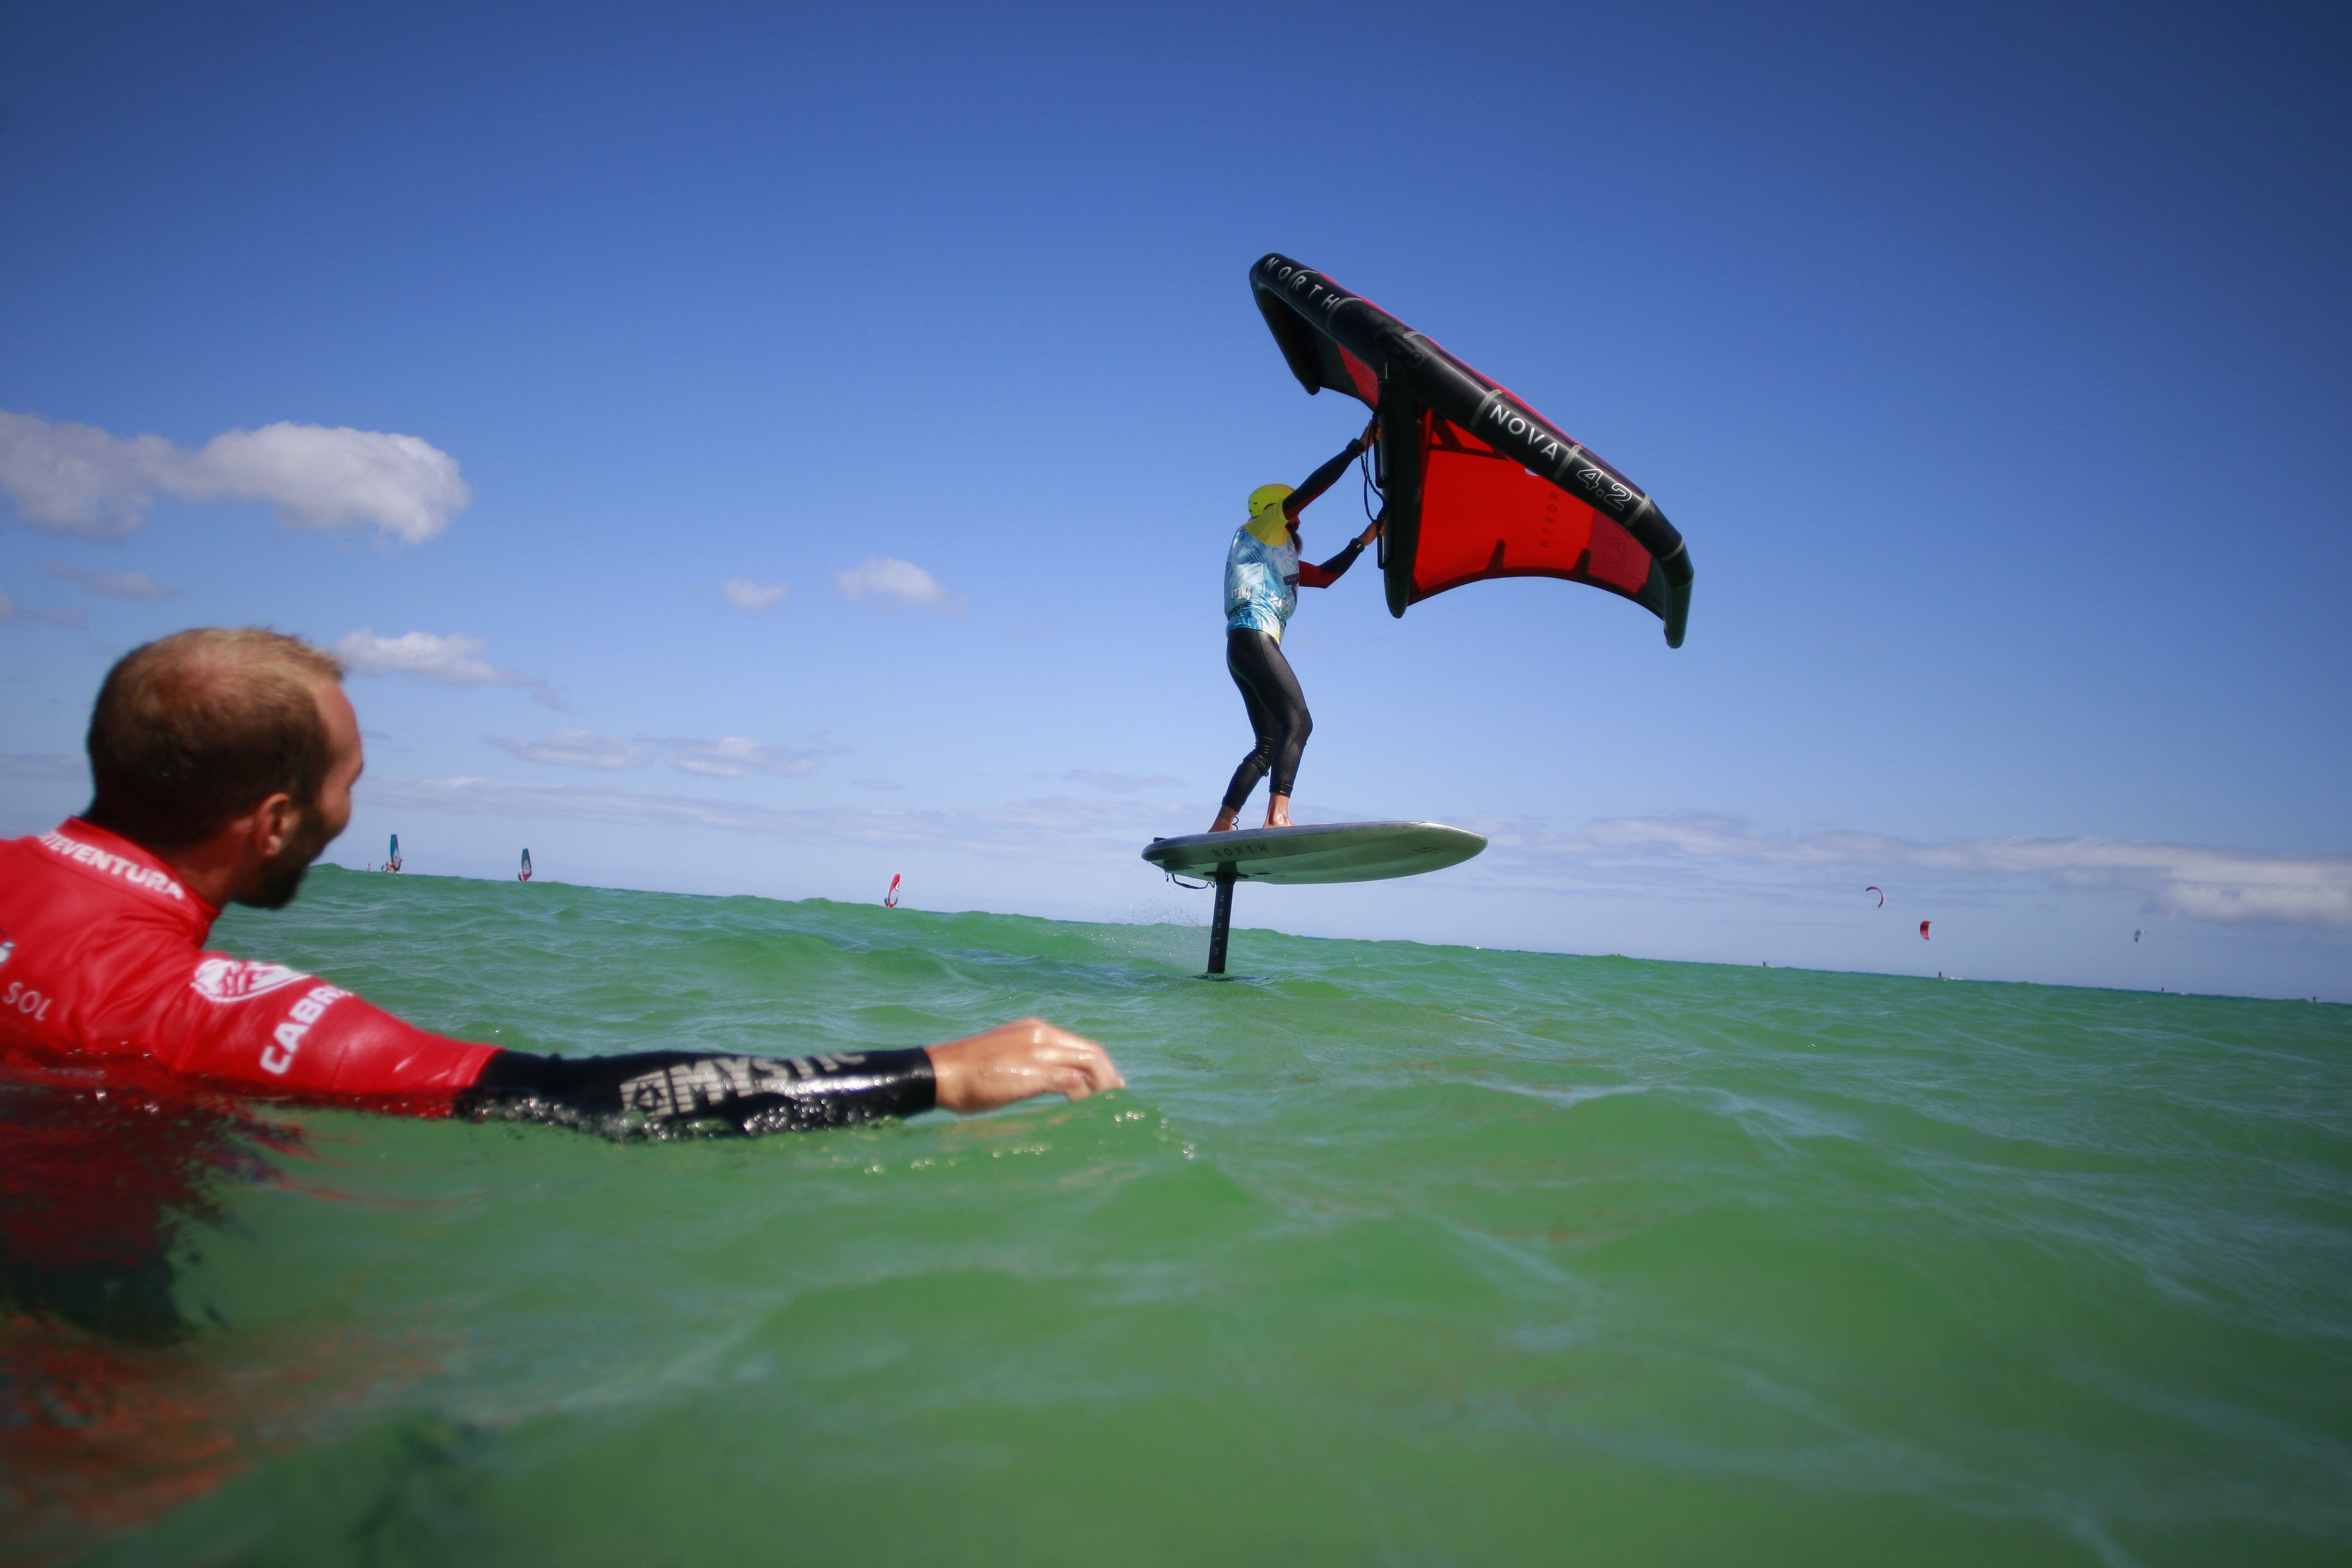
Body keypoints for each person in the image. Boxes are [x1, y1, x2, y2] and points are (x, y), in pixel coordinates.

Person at [0, 629, 1123, 1137]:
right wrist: (935, 1071)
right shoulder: (186, 1007)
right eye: (349, 786)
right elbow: (580, 1095)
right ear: (277, 819)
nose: (351, 816)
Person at [1210, 418, 1383, 833]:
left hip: (1243, 646)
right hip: (1254, 637)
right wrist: (1358, 448)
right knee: (1300, 723)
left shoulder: (1279, 556)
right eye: (1294, 514)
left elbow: (1324, 575)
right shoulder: (1261, 527)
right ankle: (1278, 816)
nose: (1300, 521)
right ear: (1276, 511)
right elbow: (1310, 491)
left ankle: (1221, 824)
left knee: (1268, 744)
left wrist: (1365, 538)